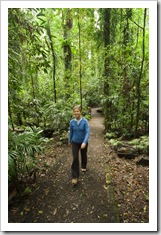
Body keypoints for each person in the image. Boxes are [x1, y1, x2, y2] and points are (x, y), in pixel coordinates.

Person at [68, 105, 90, 186]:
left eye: (78, 111)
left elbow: (87, 132)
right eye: (75, 111)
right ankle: (75, 176)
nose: (76, 113)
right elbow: (71, 132)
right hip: (75, 142)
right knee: (75, 158)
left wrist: (84, 142)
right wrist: (69, 140)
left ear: (80, 112)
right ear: (73, 113)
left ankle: (84, 165)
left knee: (83, 155)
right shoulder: (72, 122)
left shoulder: (85, 121)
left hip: (83, 142)